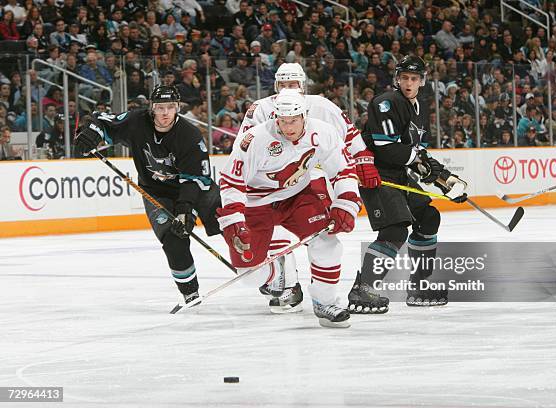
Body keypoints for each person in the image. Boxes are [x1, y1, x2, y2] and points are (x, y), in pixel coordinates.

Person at [237, 62, 380, 313]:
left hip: (312, 175)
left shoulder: (323, 106)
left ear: (303, 85)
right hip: (270, 182)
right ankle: (288, 284)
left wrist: (363, 161)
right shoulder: (260, 109)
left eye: (293, 84)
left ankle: (322, 294)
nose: (288, 89)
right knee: (273, 235)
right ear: (276, 86)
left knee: (322, 235)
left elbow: (349, 136)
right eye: (284, 84)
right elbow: (245, 147)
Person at [217, 89, 361, 328]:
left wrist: (345, 202)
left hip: (297, 195)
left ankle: (326, 303)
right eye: (283, 121)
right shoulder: (255, 140)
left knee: (327, 242)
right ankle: (277, 266)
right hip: (257, 202)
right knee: (249, 275)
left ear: (305, 115)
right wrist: (234, 221)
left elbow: (343, 169)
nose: (288, 126)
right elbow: (232, 181)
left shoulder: (323, 132)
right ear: (275, 117)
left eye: (293, 120)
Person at [74, 85, 222, 309]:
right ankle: (191, 294)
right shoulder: (136, 121)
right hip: (157, 192)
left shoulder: (190, 136)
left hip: (195, 188)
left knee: (229, 221)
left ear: (177, 108)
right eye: (160, 107)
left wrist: (185, 211)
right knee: (173, 239)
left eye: (170, 107)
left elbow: (194, 180)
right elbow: (100, 120)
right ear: (152, 108)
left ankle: (256, 267)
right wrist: (91, 134)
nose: (164, 113)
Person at [355, 55, 467, 312]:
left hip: (399, 175)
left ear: (422, 81)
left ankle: (419, 285)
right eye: (404, 77)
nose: (408, 83)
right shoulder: (386, 103)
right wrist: (424, 167)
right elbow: (387, 149)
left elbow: (418, 153)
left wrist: (444, 179)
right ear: (397, 79)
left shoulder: (420, 108)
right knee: (395, 231)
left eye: (414, 78)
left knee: (428, 217)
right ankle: (364, 289)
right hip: (378, 174)